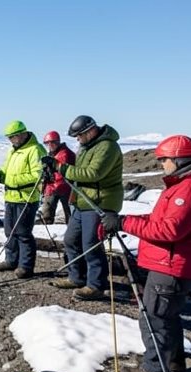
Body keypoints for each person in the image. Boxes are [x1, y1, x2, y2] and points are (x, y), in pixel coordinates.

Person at [100, 135, 191, 372]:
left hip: (173, 264)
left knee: (154, 315)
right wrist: (125, 220)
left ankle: (154, 369)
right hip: (176, 263)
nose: (162, 165)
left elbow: (170, 230)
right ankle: (173, 361)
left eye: (164, 160)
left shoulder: (190, 188)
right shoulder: (188, 184)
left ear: (177, 159)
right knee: (167, 315)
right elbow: (161, 220)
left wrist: (124, 222)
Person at [42, 115, 123, 300]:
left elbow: (93, 173)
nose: (77, 139)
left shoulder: (107, 146)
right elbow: (79, 172)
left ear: (89, 131)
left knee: (91, 244)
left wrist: (59, 167)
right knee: (71, 239)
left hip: (99, 202)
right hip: (82, 201)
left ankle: (96, 285)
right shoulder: (87, 146)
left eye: (79, 135)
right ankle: (76, 276)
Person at [0, 120, 45, 279]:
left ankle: (26, 266)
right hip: (11, 197)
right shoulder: (13, 151)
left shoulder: (35, 150)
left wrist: (12, 180)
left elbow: (38, 175)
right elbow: (7, 171)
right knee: (9, 230)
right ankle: (11, 260)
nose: (11, 140)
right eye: (9, 137)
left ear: (22, 134)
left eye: (12, 137)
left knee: (23, 232)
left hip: (26, 198)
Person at [39, 131, 75, 224]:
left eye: (52, 142)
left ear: (57, 142)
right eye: (47, 143)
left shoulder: (65, 154)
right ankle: (47, 225)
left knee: (69, 213)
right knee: (47, 212)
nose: (50, 145)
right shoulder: (53, 154)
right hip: (53, 187)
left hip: (63, 187)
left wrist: (50, 174)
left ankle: (71, 230)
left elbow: (64, 171)